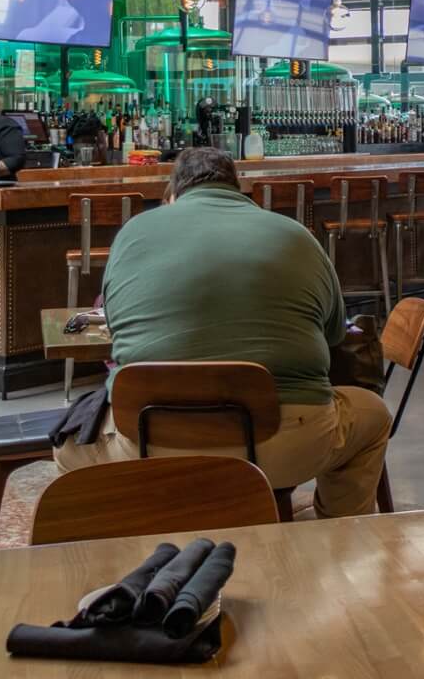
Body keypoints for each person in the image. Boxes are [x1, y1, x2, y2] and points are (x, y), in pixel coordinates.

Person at [54, 148, 390, 518]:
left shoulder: (134, 233)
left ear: (174, 193)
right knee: (372, 415)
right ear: (237, 189)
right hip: (284, 443)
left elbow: (114, 329)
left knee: (66, 446)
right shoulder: (296, 235)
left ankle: (127, 545)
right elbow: (332, 334)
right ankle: (335, 539)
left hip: (153, 444)